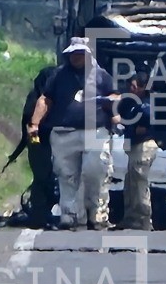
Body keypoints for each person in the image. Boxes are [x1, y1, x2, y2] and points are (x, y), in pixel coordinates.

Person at [27, 37, 117, 230]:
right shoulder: (58, 76)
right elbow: (45, 99)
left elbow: (114, 96)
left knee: (95, 171)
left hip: (95, 132)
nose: (76, 57)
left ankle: (97, 215)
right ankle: (70, 216)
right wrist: (34, 123)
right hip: (64, 133)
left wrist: (114, 108)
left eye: (80, 53)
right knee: (66, 175)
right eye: (73, 54)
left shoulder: (101, 75)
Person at [7, 64, 60, 228]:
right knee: (42, 178)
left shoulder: (54, 97)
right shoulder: (36, 99)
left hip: (52, 141)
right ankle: (40, 215)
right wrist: (34, 145)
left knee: (50, 178)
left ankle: (46, 213)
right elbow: (29, 127)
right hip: (39, 141)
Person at [116, 72, 158, 230]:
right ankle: (131, 217)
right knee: (131, 183)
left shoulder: (147, 103)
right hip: (133, 147)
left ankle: (143, 219)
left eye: (134, 87)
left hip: (143, 146)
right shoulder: (133, 103)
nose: (131, 89)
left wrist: (141, 126)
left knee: (140, 183)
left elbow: (149, 115)